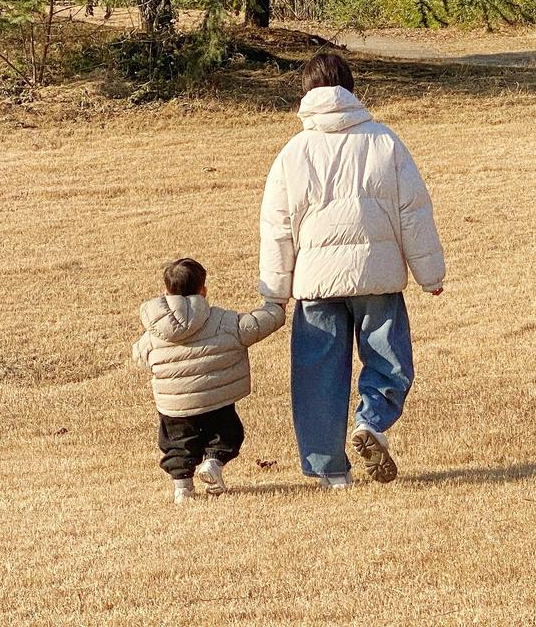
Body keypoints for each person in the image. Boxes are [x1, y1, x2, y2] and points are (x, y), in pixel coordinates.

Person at [259, 52, 444, 489]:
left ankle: (330, 473)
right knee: (388, 359)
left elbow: (276, 228)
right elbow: (413, 212)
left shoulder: (293, 152)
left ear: (305, 94)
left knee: (317, 377)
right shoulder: (384, 141)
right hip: (375, 276)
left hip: (314, 284)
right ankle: (372, 422)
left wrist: (274, 292)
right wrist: (429, 274)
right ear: (350, 88)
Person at [132, 257, 286, 504]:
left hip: (174, 405)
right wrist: (276, 307)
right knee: (226, 434)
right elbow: (254, 325)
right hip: (216, 399)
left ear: (166, 291)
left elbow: (140, 355)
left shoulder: (154, 330)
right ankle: (213, 463)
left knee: (177, 444)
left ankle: (182, 488)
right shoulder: (221, 320)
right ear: (203, 290)